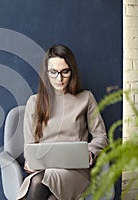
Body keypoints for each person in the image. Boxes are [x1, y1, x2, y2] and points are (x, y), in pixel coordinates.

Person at [17, 44, 109, 200]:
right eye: (53, 72)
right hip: (45, 170)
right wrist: (30, 161)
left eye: (65, 72)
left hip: (75, 172)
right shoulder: (34, 102)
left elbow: (101, 137)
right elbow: (30, 145)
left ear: (72, 71)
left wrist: (90, 152)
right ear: (46, 73)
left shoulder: (86, 98)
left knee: (38, 182)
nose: (59, 78)